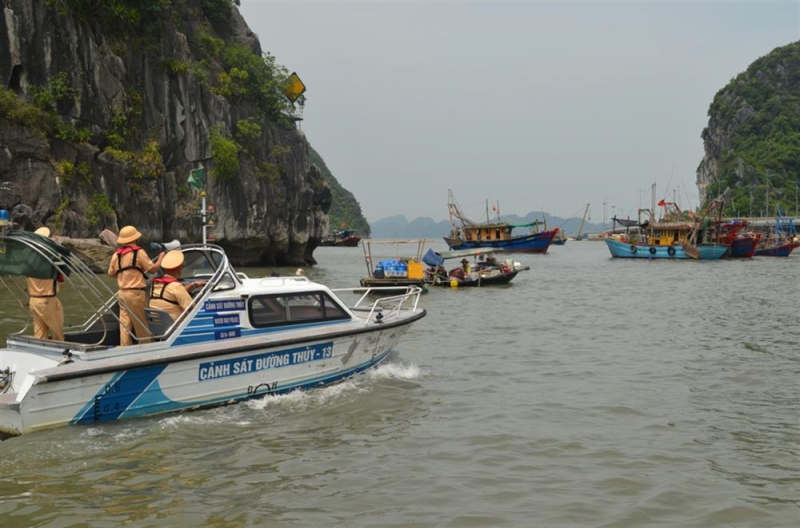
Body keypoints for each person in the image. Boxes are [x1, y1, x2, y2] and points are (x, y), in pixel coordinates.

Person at [108, 225, 164, 346]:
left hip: (122, 293)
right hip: (136, 293)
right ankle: (146, 348)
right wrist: (161, 258)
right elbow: (152, 269)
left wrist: (125, 274)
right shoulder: (138, 252)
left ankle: (125, 348)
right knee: (141, 324)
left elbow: (111, 273)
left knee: (125, 325)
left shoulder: (116, 255)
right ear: (135, 238)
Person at [27, 227, 65, 341]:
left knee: (39, 332)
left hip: (34, 300)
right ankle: (60, 350)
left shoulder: (29, 259)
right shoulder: (48, 259)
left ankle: (39, 349)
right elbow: (60, 276)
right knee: (57, 332)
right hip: (47, 300)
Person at [149, 250, 205, 322]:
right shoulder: (176, 286)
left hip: (158, 324)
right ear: (179, 270)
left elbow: (172, 295)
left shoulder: (155, 284)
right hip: (176, 325)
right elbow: (192, 308)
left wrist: (193, 285)